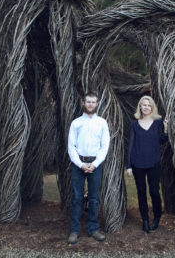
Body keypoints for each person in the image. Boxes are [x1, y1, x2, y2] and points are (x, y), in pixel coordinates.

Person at [67, 92, 110, 245]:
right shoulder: (76, 123)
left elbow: (105, 146)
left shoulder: (102, 123)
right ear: (83, 103)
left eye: (93, 102)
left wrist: (95, 164)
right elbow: (71, 146)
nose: (90, 104)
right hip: (79, 163)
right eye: (88, 102)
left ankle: (93, 229)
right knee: (77, 198)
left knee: (93, 198)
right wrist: (81, 164)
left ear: (97, 103)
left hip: (95, 163)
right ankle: (74, 230)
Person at [126, 95, 168, 234]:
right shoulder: (134, 124)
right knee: (141, 192)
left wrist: (166, 129)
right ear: (140, 106)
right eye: (144, 105)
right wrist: (128, 165)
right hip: (138, 163)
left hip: (153, 162)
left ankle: (156, 217)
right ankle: (144, 220)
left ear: (152, 107)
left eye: (149, 105)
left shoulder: (158, 122)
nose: (146, 107)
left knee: (154, 191)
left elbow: (162, 140)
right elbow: (130, 145)